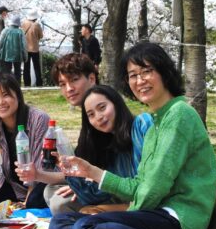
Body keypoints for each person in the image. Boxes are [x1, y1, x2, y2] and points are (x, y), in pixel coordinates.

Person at [49, 42, 216, 229]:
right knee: (60, 223)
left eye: (147, 71)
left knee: (85, 228)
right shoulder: (157, 121)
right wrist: (91, 172)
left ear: (164, 72)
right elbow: (139, 185)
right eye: (133, 75)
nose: (140, 81)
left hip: (178, 220)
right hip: (154, 214)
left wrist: (117, 216)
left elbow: (155, 187)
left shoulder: (179, 114)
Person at [47, 85, 151, 215]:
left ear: (116, 103)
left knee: (78, 222)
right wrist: (68, 170)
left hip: (151, 208)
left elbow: (149, 190)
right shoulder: (105, 146)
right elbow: (94, 197)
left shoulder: (142, 125)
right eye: (91, 115)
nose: (98, 117)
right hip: (125, 206)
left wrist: (103, 209)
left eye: (102, 108)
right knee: (58, 216)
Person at [0, 73, 54, 207]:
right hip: (12, 185)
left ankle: (25, 200)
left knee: (36, 198)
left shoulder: (38, 119)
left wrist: (27, 203)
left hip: (39, 181)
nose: (1, 102)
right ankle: (16, 201)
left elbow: (39, 163)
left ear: (17, 96)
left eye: (6, 95)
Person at [43, 53, 100, 208]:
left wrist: (84, 186)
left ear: (92, 79)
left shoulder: (103, 110)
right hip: (91, 180)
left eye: (74, 80)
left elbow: (113, 164)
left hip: (111, 186)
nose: (69, 89)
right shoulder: (86, 113)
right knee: (48, 191)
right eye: (63, 84)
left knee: (59, 203)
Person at [0, 14, 26, 81]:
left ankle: (7, 84)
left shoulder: (5, 30)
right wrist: (25, 56)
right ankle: (17, 85)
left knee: (7, 70)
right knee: (17, 70)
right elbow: (24, 45)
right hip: (18, 54)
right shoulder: (20, 32)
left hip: (6, 54)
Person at [21, 9, 44, 87]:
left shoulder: (23, 23)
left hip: (26, 49)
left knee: (26, 67)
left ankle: (27, 83)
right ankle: (39, 83)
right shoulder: (37, 25)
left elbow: (21, 35)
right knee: (36, 67)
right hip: (35, 48)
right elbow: (41, 36)